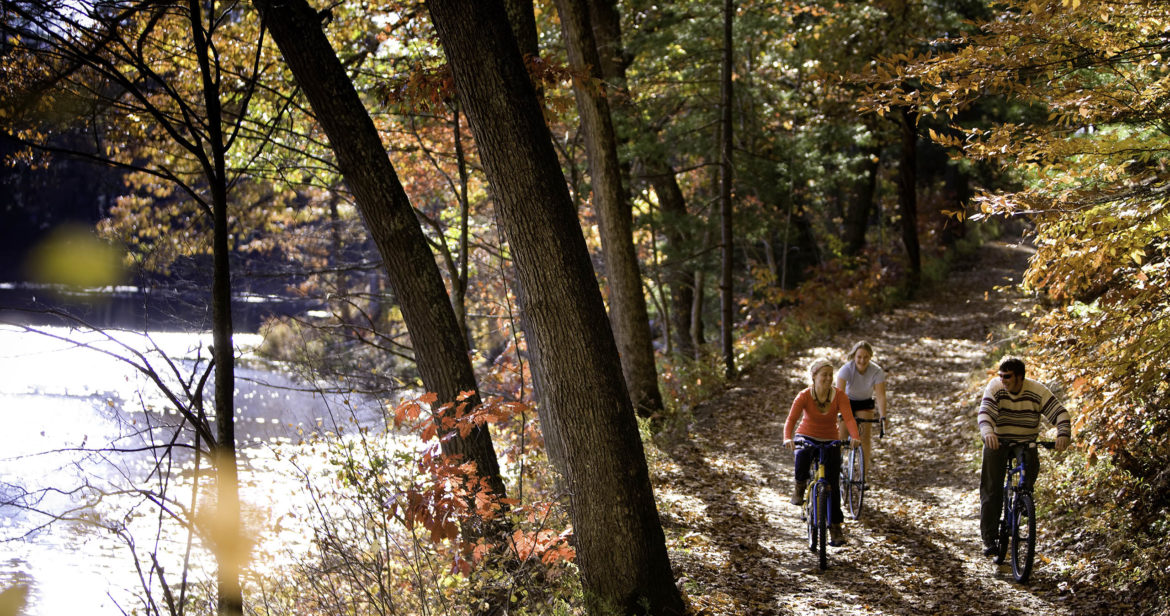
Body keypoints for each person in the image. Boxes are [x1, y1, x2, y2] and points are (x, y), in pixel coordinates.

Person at [978, 356, 1071, 556]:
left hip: (1025, 442)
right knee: (991, 488)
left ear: (1020, 377)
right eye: (1001, 376)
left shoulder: (1037, 391)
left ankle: (1023, 500)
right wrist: (988, 433)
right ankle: (989, 538)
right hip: (998, 440)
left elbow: (1060, 414)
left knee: (1028, 476)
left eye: (1008, 377)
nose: (1004, 380)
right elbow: (985, 414)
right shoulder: (995, 388)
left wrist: (1063, 434)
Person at [785, 357, 861, 546]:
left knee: (833, 485)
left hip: (830, 438)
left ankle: (835, 527)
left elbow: (849, 419)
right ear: (814, 376)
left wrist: (855, 437)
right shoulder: (804, 395)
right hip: (806, 435)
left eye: (830, 375)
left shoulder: (840, 396)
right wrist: (787, 437)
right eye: (823, 375)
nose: (828, 379)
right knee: (801, 454)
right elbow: (792, 419)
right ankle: (800, 487)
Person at [836, 341, 888, 472]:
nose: (862, 360)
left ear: (870, 357)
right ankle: (836, 467)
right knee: (841, 436)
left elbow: (881, 396)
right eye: (859, 357)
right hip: (846, 401)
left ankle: (863, 475)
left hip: (865, 402)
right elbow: (838, 394)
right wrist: (837, 413)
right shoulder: (846, 369)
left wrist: (883, 416)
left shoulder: (876, 371)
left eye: (866, 357)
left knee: (864, 437)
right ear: (854, 356)